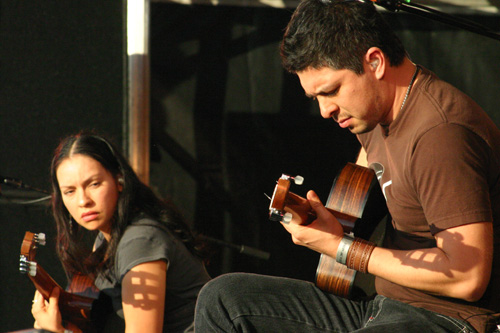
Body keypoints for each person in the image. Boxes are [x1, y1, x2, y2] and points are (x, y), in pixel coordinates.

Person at [193, 0, 500, 332]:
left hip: (448, 320)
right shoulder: (374, 115)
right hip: (383, 307)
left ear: (375, 62)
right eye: (316, 98)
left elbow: (467, 277)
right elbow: (364, 180)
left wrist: (342, 248)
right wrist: (337, 222)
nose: (325, 110)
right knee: (223, 299)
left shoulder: (440, 136)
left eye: (332, 91)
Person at [31, 132, 211, 332]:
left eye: (94, 184)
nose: (83, 201)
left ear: (119, 179)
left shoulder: (139, 241)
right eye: (70, 191)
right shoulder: (105, 239)